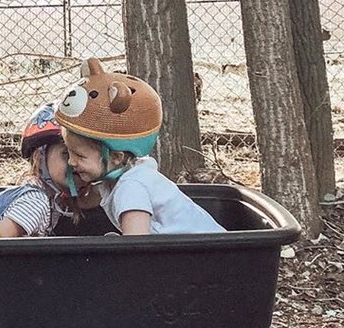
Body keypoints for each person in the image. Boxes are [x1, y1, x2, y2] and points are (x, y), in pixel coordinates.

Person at [54, 57, 224, 235]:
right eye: (69, 153)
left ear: (116, 157)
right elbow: (85, 201)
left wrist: (119, 246)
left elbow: (137, 247)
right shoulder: (118, 177)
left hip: (211, 258)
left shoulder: (131, 187)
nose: (71, 162)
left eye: (79, 156)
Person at [0, 104, 94, 238]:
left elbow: (92, 201)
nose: (75, 163)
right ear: (39, 158)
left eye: (82, 155)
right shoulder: (36, 201)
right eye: (66, 154)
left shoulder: (50, 199)